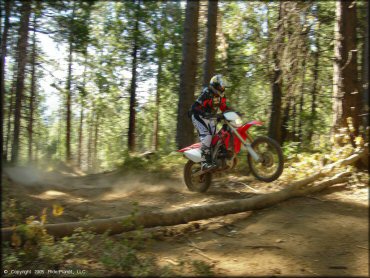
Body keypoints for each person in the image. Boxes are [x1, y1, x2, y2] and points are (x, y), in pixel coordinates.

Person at [189, 75, 232, 170]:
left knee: (216, 139)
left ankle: (216, 158)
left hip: (210, 117)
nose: (223, 88)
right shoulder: (207, 93)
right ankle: (204, 162)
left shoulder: (222, 96)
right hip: (198, 116)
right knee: (207, 137)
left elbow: (224, 108)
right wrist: (203, 112)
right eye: (221, 86)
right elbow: (195, 107)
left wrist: (233, 113)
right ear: (216, 85)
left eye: (224, 86)